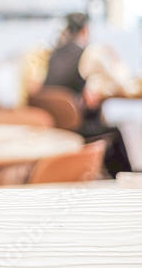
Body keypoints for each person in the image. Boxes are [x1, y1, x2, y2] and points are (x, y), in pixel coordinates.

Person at [43, 12, 132, 177]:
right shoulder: (86, 54)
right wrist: (114, 57)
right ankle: (125, 180)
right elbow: (121, 82)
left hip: (54, 122)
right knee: (115, 132)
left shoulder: (54, 54)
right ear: (85, 30)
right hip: (77, 125)